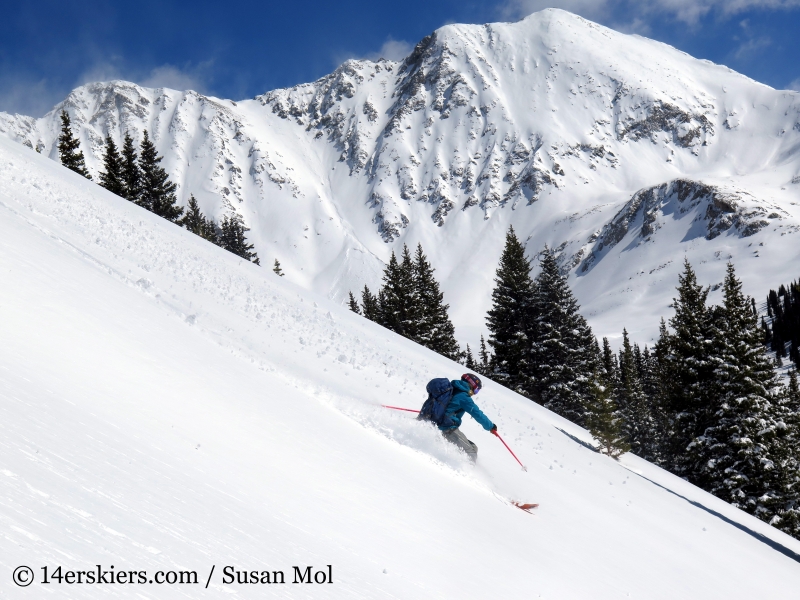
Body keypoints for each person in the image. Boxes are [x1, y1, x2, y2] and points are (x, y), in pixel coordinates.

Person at [439, 374, 496, 462]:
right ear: (471, 385)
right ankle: (465, 471)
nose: (474, 393)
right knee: (471, 452)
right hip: (447, 428)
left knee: (473, 446)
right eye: (476, 390)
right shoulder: (464, 397)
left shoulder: (452, 388)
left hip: (435, 420)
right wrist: (491, 426)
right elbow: (477, 414)